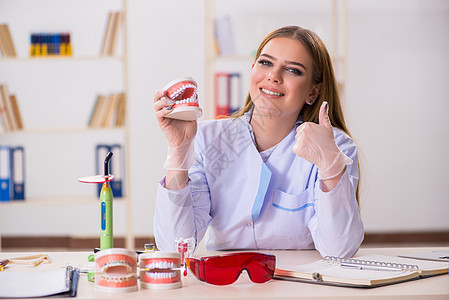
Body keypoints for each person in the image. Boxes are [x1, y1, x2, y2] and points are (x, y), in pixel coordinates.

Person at [153, 26, 364, 258]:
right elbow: (174, 248)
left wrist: (330, 167)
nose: (274, 76)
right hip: (227, 285)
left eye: (293, 70)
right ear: (252, 70)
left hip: (299, 286)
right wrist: (179, 153)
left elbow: (340, 251)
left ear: (313, 92)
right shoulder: (207, 138)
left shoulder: (335, 147)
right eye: (266, 63)